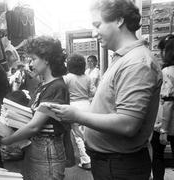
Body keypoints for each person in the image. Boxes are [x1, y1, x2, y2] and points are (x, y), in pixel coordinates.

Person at [49, 0, 162, 179]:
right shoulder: (123, 59)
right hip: (112, 163)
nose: (95, 33)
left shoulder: (136, 63)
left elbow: (127, 124)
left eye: (98, 25)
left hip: (119, 166)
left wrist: (77, 116)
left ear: (118, 20)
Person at [1, 36, 73, 180]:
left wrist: (8, 140)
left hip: (47, 152)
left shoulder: (56, 87)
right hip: (38, 150)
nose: (31, 64)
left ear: (46, 59)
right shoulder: (44, 86)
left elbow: (34, 126)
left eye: (33, 59)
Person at [151, 34, 174, 180]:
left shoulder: (167, 72)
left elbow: (168, 102)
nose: (160, 54)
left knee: (158, 157)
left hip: (164, 124)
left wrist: (164, 130)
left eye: (162, 50)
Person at [63, 53, 92, 170]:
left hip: (74, 106)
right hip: (87, 105)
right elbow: (92, 92)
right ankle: (92, 157)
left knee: (77, 135)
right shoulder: (87, 77)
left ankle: (86, 161)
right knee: (88, 133)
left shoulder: (67, 78)